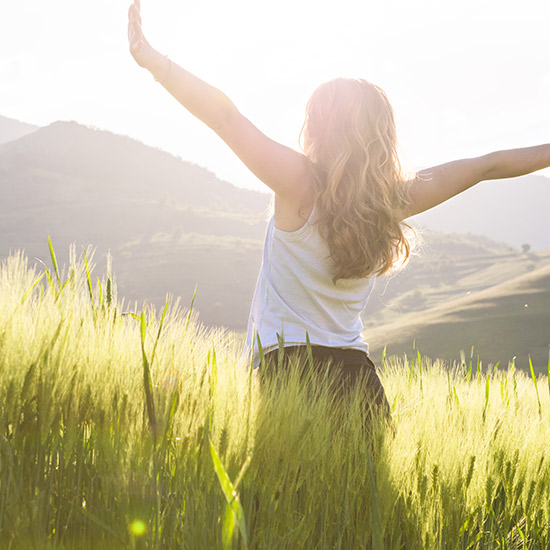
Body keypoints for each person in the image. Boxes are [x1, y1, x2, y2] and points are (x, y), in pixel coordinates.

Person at [128, 1, 550, 418]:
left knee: (285, 489)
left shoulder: (297, 181)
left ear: (317, 127)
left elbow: (224, 117)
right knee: (363, 490)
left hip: (289, 373)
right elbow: (486, 165)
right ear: (382, 135)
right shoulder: (393, 200)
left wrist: (155, 63)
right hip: (359, 384)